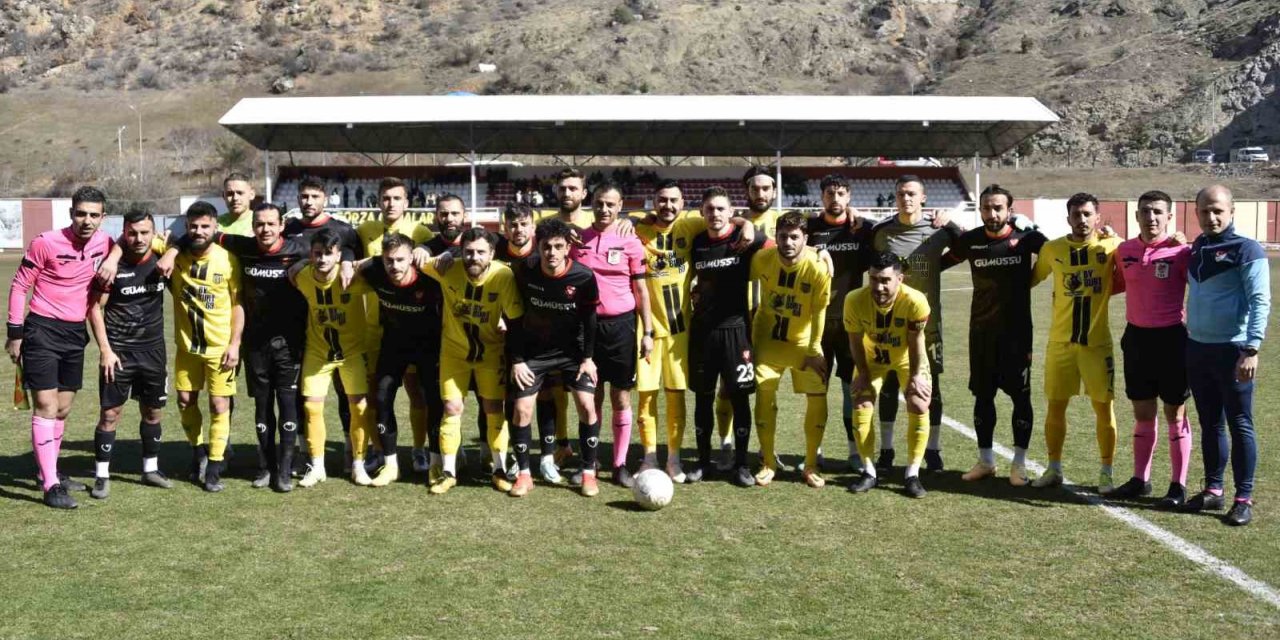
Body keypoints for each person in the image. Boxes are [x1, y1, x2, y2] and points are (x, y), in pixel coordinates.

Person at [6, 186, 112, 508]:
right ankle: (51, 485)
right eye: (81, 213)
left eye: (94, 215)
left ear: (102, 218)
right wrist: (15, 333)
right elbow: (19, 285)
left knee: (63, 409)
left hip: (74, 334)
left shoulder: (105, 243)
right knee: (46, 406)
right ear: (71, 214)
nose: (87, 220)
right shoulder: (46, 242)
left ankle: (47, 470)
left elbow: (123, 249)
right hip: (42, 330)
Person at [943, 185, 1045, 486]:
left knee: (1021, 399)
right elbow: (939, 263)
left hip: (1017, 336)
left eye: (998, 207)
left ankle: (1019, 465)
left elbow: (1057, 255)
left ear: (1009, 210)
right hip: (981, 335)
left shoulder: (1026, 237)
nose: (992, 213)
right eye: (987, 208)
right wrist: (945, 229)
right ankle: (986, 460)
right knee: (983, 397)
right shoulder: (971, 241)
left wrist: (1037, 231)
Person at [1181, 184, 1270, 526]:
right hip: (1198, 348)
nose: (1211, 217)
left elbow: (1261, 300)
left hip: (1233, 350)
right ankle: (1214, 491)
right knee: (1210, 423)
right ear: (1197, 212)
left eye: (1218, 210)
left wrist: (1251, 348)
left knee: (1240, 423)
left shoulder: (1247, 250)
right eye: (1204, 211)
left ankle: (1243, 498)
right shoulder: (1197, 248)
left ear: (1232, 211)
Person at [1029, 193, 1122, 493]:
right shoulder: (1052, 249)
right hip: (1060, 345)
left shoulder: (1112, 247)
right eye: (1076, 214)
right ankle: (1054, 468)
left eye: (1087, 214)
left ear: (1098, 217)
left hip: (1096, 346)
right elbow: (1029, 280)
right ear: (1067, 218)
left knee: (1104, 409)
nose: (1081, 220)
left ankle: (1106, 472)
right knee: (1055, 407)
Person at [871, 174, 963, 473]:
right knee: (888, 387)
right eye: (900, 194)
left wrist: (950, 222)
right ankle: (886, 450)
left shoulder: (938, 232)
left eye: (911, 193)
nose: (906, 198)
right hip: (888, 326)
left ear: (923, 198)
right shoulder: (882, 232)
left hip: (928, 327)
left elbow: (970, 245)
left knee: (931, 389)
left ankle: (932, 451)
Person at [421, 228, 523, 494]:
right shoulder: (447, 268)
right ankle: (448, 472)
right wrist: (425, 251)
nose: (473, 257)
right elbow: (411, 258)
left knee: (493, 408)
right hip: (454, 354)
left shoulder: (503, 275)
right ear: (460, 251)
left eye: (480, 252)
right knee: (452, 408)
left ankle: (498, 469)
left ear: (491, 254)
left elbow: (516, 318)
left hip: (490, 353)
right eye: (468, 252)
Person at [1109, 190, 1193, 506]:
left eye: (1158, 212)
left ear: (1169, 217)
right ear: (1137, 216)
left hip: (1172, 340)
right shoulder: (1124, 249)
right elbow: (1116, 284)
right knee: (1142, 413)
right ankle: (1140, 479)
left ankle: (1177, 485)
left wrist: (1188, 245)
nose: (1152, 217)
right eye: (1145, 211)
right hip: (1137, 339)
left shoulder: (1181, 251)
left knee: (1176, 413)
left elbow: (1200, 284)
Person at [507, 218, 602, 497]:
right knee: (522, 409)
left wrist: (588, 358)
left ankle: (588, 473)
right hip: (534, 353)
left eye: (558, 246)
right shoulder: (525, 270)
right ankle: (524, 475)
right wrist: (517, 360)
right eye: (546, 246)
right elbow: (513, 316)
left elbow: (590, 319)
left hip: (573, 353)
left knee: (587, 406)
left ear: (567, 248)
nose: (551, 253)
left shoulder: (584, 277)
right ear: (538, 246)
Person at [569, 181, 653, 488]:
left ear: (620, 208)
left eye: (611, 205)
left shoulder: (631, 242)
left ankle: (619, 465)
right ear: (592, 204)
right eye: (600, 203)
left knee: (620, 397)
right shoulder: (577, 239)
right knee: (590, 398)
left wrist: (648, 332)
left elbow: (641, 289)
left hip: (622, 327)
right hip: (586, 328)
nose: (604, 209)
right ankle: (589, 464)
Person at [86, 210, 174, 499]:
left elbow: (188, 239)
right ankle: (101, 475)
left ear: (155, 233)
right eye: (133, 233)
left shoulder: (162, 262)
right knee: (110, 414)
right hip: (119, 353)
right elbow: (95, 308)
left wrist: (172, 251)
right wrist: (105, 350)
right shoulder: (112, 267)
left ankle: (150, 469)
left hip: (153, 352)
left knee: (153, 411)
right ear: (124, 232)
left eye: (145, 232)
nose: (139, 238)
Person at [686, 186, 767, 487]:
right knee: (703, 398)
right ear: (702, 213)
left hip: (736, 331)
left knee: (740, 398)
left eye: (721, 208)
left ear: (731, 212)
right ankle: (703, 462)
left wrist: (819, 252)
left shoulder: (744, 237)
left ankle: (741, 464)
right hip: (703, 333)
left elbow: (785, 246)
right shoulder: (695, 242)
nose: (715, 214)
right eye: (710, 209)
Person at [357, 177, 436, 479]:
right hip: (372, 328)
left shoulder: (421, 232)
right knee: (377, 394)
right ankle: (379, 450)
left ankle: (418, 447)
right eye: (385, 198)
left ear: (407, 202)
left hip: (412, 326)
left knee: (417, 392)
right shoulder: (364, 230)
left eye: (396, 198)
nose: (390, 203)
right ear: (377, 201)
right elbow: (350, 258)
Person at [750, 211, 832, 487]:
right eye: (783, 236)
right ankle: (768, 462)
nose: (788, 242)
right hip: (767, 341)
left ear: (805, 239)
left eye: (795, 237)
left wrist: (814, 348)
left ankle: (810, 464)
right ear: (776, 236)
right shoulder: (762, 259)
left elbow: (820, 311)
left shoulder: (818, 267)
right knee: (764, 398)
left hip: (804, 345)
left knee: (817, 397)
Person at [289, 229, 376, 488]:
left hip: (352, 353)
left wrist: (352, 262)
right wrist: (301, 263)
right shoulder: (302, 276)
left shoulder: (353, 276)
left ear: (338, 255)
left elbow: (379, 262)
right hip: (319, 354)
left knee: (359, 408)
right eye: (317, 254)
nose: (322, 259)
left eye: (329, 254)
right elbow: (292, 272)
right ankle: (317, 467)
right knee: (312, 407)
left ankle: (358, 465)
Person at [360, 232, 446, 489]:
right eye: (389, 260)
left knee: (433, 401)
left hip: (428, 348)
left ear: (412, 258)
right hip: (393, 346)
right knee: (382, 397)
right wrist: (346, 263)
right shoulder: (375, 271)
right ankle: (391, 465)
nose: (394, 266)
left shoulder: (430, 278)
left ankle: (434, 463)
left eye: (400, 260)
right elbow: (353, 263)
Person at [845, 251, 933, 498]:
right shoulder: (854, 300)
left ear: (900, 279)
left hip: (908, 358)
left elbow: (916, 342)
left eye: (885, 280)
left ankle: (912, 473)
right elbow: (854, 341)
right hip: (872, 358)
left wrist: (916, 375)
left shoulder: (915, 301)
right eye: (874, 279)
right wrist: (862, 373)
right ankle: (869, 471)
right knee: (861, 401)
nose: (879, 286)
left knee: (918, 402)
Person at [170, 201, 244, 493]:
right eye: (193, 226)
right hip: (187, 348)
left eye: (205, 226)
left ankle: (214, 466)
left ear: (216, 227)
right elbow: (139, 236)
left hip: (220, 349)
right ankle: (198, 452)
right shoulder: (176, 255)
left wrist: (235, 343)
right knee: (185, 400)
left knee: (218, 404)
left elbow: (238, 305)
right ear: (186, 228)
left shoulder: (228, 260)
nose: (199, 231)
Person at [633, 181, 702, 482]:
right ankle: (649, 456)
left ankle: (673, 458)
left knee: (676, 397)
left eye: (674, 200)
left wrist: (748, 228)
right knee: (646, 398)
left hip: (680, 331)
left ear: (683, 202)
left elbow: (730, 220)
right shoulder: (638, 230)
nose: (668, 206)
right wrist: (632, 219)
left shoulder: (692, 227)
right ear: (654, 202)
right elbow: (624, 219)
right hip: (645, 330)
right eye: (662, 200)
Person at [805, 174, 875, 471]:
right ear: (822, 196)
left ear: (849, 197)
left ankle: (854, 453)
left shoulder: (863, 229)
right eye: (830, 192)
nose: (835, 198)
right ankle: (814, 452)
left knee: (852, 389)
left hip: (852, 325)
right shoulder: (808, 228)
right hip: (817, 324)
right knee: (816, 391)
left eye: (841, 193)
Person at [219, 173, 258, 237]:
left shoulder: (261, 223)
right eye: (230, 194)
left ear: (252, 194)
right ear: (223, 196)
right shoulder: (215, 225)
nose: (235, 198)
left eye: (240, 193)